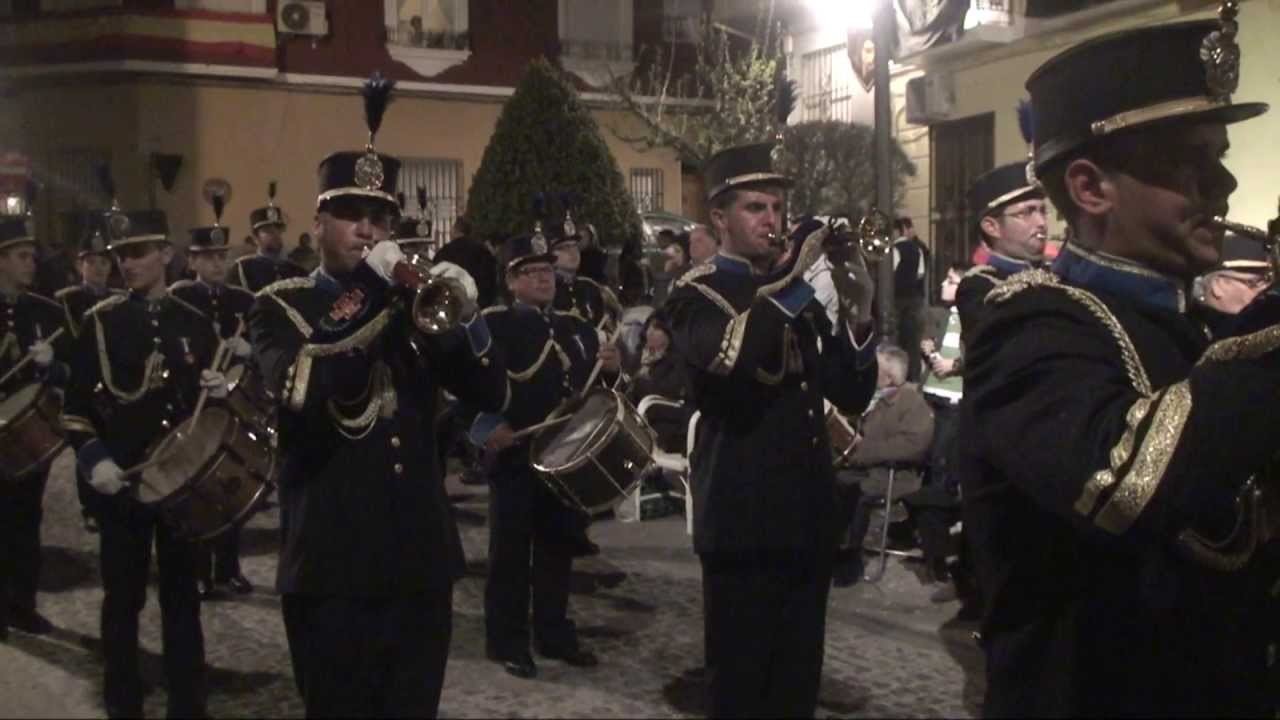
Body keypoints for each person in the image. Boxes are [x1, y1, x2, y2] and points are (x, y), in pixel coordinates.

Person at [957, 18, 1280, 715]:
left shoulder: (1192, 326)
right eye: (1192, 162)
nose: (1222, 186)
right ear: (1090, 187)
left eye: (1220, 157)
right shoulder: (1030, 327)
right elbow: (1130, 485)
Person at [249, 76, 505, 718]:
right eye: (351, 215)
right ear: (319, 221)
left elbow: (490, 393)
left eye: (380, 218)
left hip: (419, 559)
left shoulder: (411, 305)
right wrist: (371, 286)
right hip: (332, 563)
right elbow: (302, 388)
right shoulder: (281, 305)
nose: (367, 230)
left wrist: (466, 317)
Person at [666, 142, 878, 717]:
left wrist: (859, 310)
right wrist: (793, 277)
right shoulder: (696, 293)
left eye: (778, 209)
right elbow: (731, 359)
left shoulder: (797, 296)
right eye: (756, 208)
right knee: (741, 687)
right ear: (719, 218)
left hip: (805, 516)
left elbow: (851, 392)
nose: (773, 221)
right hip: (742, 519)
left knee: (796, 686)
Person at [61, 200, 222, 718]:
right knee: (122, 601)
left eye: (137, 253)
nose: (126, 264)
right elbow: (75, 411)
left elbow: (209, 408)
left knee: (182, 599)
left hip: (178, 485)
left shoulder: (196, 321)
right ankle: (122, 700)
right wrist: (95, 460)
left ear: (166, 255)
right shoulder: (100, 323)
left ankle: (188, 703)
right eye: (120, 255)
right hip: (123, 485)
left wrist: (220, 388)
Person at [467, 232, 620, 679]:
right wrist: (486, 428)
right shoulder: (492, 324)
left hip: (564, 458)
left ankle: (554, 632)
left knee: (557, 548)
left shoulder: (575, 326)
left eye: (547, 270)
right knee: (510, 554)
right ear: (510, 281)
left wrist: (613, 370)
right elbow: (465, 388)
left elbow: (596, 393)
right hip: (515, 457)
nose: (542, 279)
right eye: (530, 272)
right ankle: (507, 640)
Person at [168, 196, 256, 600]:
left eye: (222, 256)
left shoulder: (243, 301)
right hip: (196, 403)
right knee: (197, 489)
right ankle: (200, 570)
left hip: (232, 404)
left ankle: (229, 567)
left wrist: (248, 352)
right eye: (209, 257)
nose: (218, 264)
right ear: (193, 261)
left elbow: (261, 350)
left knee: (230, 484)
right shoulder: (180, 298)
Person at [0, 195, 71, 641]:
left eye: (32, 256)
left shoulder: (45, 312)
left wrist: (51, 366)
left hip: (29, 432)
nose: (32, 264)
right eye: (23, 257)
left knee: (27, 518)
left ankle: (22, 605)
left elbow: (74, 372)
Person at [831, 345, 935, 586]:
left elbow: (913, 445)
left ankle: (849, 556)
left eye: (874, 370)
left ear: (888, 376)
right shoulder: (875, 399)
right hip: (862, 465)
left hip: (892, 474)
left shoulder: (912, 403)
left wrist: (862, 451)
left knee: (854, 490)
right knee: (827, 479)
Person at [908, 261, 976, 607]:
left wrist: (954, 366)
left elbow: (977, 354)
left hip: (957, 399)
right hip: (932, 394)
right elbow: (925, 337)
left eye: (951, 280)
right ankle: (933, 547)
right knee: (933, 467)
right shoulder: (940, 314)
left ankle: (940, 553)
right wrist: (930, 353)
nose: (944, 285)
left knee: (944, 471)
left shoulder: (974, 315)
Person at [56, 215, 123, 534]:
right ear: (80, 265)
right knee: (85, 439)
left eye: (104, 262)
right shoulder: (68, 300)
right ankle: (89, 506)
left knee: (112, 439)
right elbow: (67, 342)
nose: (98, 268)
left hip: (113, 381)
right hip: (83, 379)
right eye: (92, 262)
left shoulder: (120, 300)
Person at [954, 162, 1048, 350]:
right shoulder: (978, 286)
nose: (1041, 222)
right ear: (992, 227)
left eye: (1043, 211)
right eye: (1026, 212)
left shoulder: (1056, 273)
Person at [1191, 232, 1273, 338]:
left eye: (1268, 281)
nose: (1265, 292)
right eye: (1255, 283)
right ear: (1218, 286)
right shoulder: (1187, 337)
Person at [627, 311, 687, 453]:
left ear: (669, 333)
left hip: (661, 421)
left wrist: (639, 382)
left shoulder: (677, 361)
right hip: (635, 415)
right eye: (648, 327)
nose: (650, 332)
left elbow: (669, 392)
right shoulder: (641, 354)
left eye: (657, 328)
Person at [551, 213, 621, 332]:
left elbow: (609, 329)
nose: (572, 252)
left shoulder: (591, 288)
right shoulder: (546, 290)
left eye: (574, 246)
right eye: (564, 248)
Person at [231, 181, 307, 292]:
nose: (275, 234)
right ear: (256, 238)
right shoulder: (242, 269)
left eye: (278, 230)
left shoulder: (296, 270)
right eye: (268, 231)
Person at [892, 217, 930, 381]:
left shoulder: (894, 249)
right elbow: (920, 274)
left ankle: (896, 374)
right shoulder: (917, 249)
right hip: (914, 298)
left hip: (897, 299)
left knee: (897, 338)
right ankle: (913, 376)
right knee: (913, 340)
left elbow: (890, 272)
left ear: (897, 230)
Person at [434, 216, 500, 309]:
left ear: (454, 230)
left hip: (452, 307)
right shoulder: (482, 251)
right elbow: (490, 281)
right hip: (478, 306)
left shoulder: (444, 252)